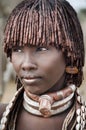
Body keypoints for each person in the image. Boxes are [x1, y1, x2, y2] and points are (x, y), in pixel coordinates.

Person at [0, 0, 86, 130]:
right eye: (17, 50)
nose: (26, 64)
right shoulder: (2, 116)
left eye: (41, 49)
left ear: (70, 54)